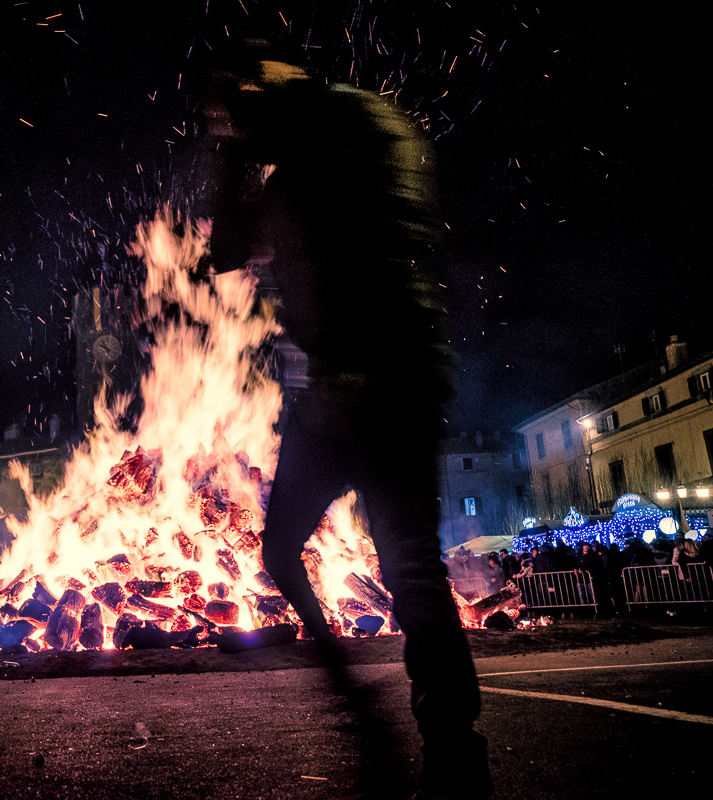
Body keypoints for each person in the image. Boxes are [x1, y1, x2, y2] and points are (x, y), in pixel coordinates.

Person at [206, 37, 491, 800]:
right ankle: (439, 747)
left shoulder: (331, 138)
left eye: (241, 99)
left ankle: (440, 748)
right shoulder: (357, 126)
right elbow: (241, 249)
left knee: (402, 566)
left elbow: (233, 245)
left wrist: (234, 145)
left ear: (272, 87)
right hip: (366, 381)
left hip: (367, 380)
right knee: (377, 561)